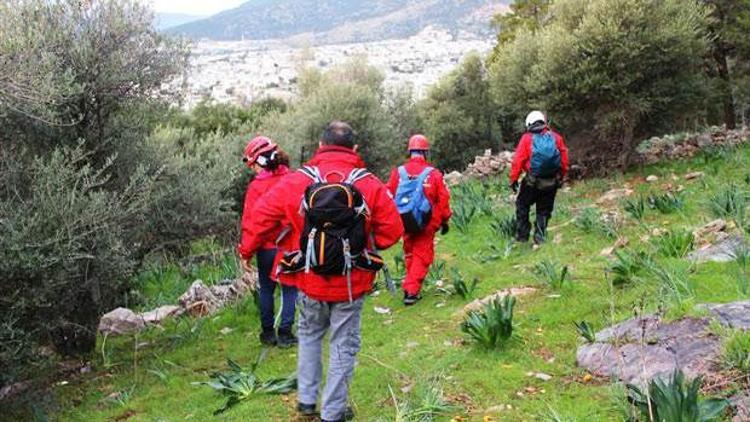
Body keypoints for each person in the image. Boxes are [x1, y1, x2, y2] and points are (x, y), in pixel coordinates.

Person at [240, 121, 403, 422]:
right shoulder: (368, 182)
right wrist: (362, 242)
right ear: (354, 149)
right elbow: (393, 230)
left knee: (310, 336)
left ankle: (306, 404)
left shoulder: (296, 181)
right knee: (343, 343)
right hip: (351, 282)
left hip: (308, 279)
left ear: (319, 146)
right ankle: (332, 413)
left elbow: (260, 216)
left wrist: (246, 250)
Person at [237, 136, 299, 348]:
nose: (253, 169)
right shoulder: (293, 179)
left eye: (252, 165)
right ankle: (286, 334)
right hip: (290, 245)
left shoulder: (256, 187)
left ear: (258, 161)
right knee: (290, 289)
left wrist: (246, 252)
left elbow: (252, 224)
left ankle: (268, 334)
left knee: (266, 290)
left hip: (267, 248)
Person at [387, 134, 451, 306]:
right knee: (422, 256)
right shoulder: (434, 175)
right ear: (425, 152)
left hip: (404, 222)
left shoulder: (398, 173)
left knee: (409, 252)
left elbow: (388, 196)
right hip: (427, 224)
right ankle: (411, 291)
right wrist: (444, 221)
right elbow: (443, 200)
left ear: (410, 152)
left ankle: (411, 284)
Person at [509, 111, 569, 244]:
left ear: (529, 124)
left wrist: (513, 179)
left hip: (532, 182)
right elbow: (564, 161)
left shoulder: (526, 138)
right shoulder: (556, 137)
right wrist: (561, 176)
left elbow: (518, 160)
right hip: (551, 182)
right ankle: (540, 238)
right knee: (544, 210)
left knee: (522, 205)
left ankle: (522, 236)